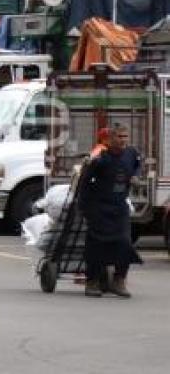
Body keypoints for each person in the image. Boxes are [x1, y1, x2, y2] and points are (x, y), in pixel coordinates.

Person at [77, 124, 142, 298]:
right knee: (96, 246)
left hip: (119, 207)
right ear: (110, 139)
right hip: (99, 208)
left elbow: (137, 165)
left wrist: (136, 176)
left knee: (124, 243)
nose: (123, 140)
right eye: (120, 137)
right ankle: (92, 282)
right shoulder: (100, 158)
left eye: (125, 137)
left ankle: (119, 280)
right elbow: (84, 181)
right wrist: (85, 207)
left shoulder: (131, 153)